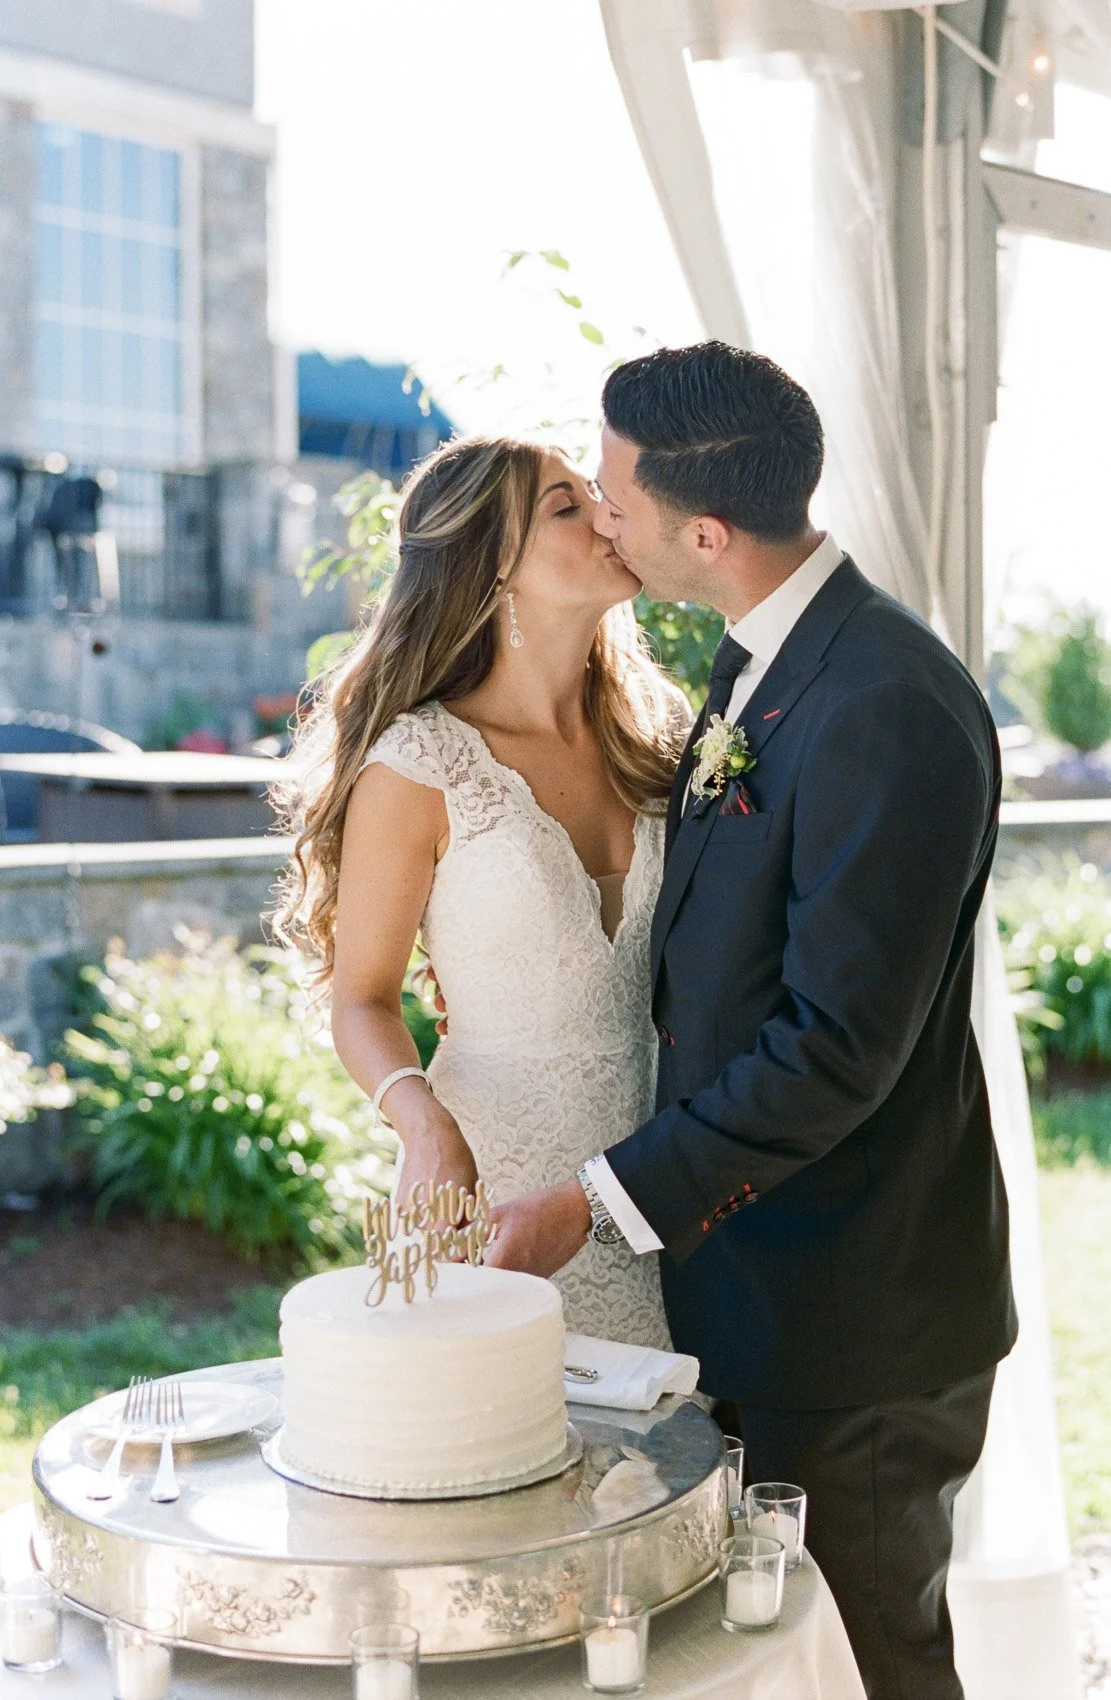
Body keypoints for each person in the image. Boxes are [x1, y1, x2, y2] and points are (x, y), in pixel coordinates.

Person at [485, 342, 1017, 1700]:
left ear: (702, 533)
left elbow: (834, 1048)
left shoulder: (881, 702)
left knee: (872, 1658)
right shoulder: (764, 661)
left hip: (857, 1312)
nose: (600, 517)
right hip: (760, 1289)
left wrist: (591, 1201)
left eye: (610, 497)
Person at [273, 434, 691, 1346]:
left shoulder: (665, 738)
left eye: (597, 497)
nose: (605, 518)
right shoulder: (421, 763)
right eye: (565, 507)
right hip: (491, 1191)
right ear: (491, 563)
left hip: (663, 1180)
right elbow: (362, 998)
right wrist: (422, 1124)